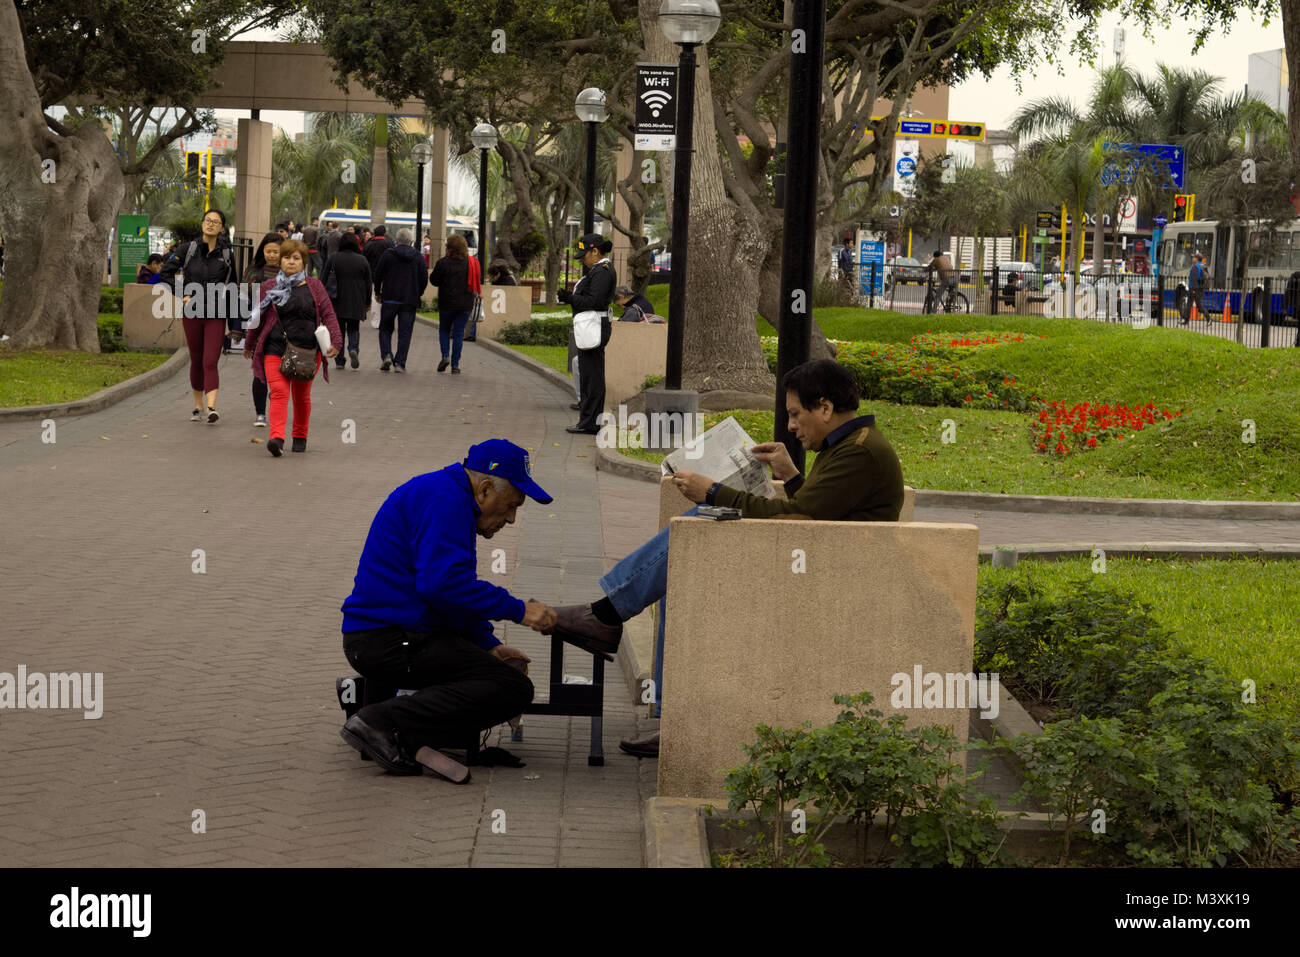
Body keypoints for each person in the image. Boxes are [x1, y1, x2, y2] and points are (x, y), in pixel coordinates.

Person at [547, 359, 905, 757]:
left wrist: (715, 492)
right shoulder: (849, 445)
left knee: (702, 520)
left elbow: (801, 518)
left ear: (824, 407)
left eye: (795, 414)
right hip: (817, 564)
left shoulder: (859, 452)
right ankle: (669, 711)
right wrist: (790, 475)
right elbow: (821, 509)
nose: (790, 425)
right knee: (684, 571)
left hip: (829, 582)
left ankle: (607, 615)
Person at [338, 439, 559, 779]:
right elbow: (441, 586)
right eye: (511, 505)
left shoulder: (446, 494)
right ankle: (379, 722)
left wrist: (489, 645)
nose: (512, 519)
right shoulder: (446, 502)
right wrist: (519, 610)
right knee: (512, 688)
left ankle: (382, 719)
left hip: (388, 635)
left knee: (493, 671)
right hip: (389, 640)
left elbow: (448, 594)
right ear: (484, 489)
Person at [244, 239, 341, 456]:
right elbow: (257, 318)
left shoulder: (315, 287)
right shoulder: (269, 287)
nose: (291, 262)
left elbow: (329, 315)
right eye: (287, 257)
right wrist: (250, 343)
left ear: (303, 262)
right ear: (280, 261)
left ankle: (300, 435)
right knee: (278, 392)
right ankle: (276, 437)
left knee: (301, 396)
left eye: (296, 258)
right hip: (275, 348)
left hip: (307, 351)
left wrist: (336, 341)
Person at [157, 208, 238, 424]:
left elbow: (233, 288)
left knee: (210, 360)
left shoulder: (227, 255)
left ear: (222, 228)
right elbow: (164, 274)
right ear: (203, 223)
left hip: (216, 313)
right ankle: (197, 405)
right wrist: (182, 292)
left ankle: (211, 406)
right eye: (207, 220)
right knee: (196, 359)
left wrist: (236, 325)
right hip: (192, 313)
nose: (210, 224)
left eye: (216, 222)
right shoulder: (187, 249)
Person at [557, 233, 615, 434]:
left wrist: (571, 298)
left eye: (584, 254)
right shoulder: (597, 271)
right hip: (591, 326)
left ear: (595, 251)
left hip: (595, 326)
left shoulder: (603, 272)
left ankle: (591, 422)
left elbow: (594, 301)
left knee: (593, 376)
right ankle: (587, 420)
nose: (582, 259)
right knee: (588, 375)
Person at [241, 232, 284, 427]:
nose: (272, 255)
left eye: (276, 251)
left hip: (283, 330)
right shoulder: (253, 271)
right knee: (260, 370)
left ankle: (275, 405)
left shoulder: (290, 272)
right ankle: (260, 413)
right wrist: (237, 331)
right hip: (259, 328)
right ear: (263, 251)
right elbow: (242, 300)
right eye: (269, 251)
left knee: (278, 372)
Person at [373, 228, 429, 373]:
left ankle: (386, 355)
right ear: (411, 242)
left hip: (390, 298)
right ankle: (400, 363)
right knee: (405, 332)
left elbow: (378, 274)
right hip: (409, 300)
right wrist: (419, 292)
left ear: (396, 241)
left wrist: (378, 292)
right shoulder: (418, 257)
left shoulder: (388, 255)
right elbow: (424, 278)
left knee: (385, 329)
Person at [429, 234, 480, 374]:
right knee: (458, 333)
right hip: (465, 304)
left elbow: (433, 280)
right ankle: (455, 364)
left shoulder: (443, 262)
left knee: (444, 330)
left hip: (446, 303)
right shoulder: (471, 263)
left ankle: (445, 356)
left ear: (449, 247)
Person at [320, 232, 371, 370]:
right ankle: (353, 348)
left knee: (339, 330)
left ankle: (340, 360)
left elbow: (323, 279)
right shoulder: (362, 260)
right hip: (356, 300)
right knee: (354, 328)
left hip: (337, 300)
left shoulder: (334, 258)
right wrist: (367, 302)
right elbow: (368, 283)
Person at [1185, 252, 1208, 324]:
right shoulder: (1203, 266)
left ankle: (1208, 318)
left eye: (1194, 257)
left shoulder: (1195, 266)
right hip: (1200, 288)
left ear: (1197, 259)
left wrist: (1193, 289)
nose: (1192, 258)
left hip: (1194, 288)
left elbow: (1194, 279)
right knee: (1195, 304)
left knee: (1193, 304)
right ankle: (1186, 320)